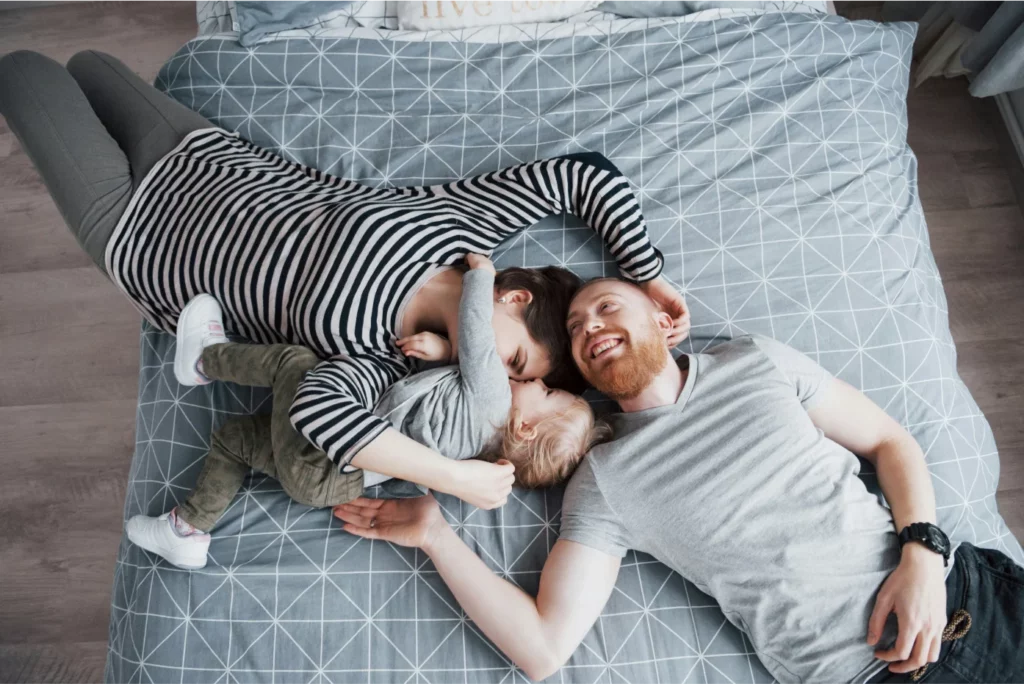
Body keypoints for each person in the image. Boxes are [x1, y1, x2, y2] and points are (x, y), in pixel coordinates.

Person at [0, 50, 689, 505]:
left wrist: (453, 477)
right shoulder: (461, 230)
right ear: (512, 298)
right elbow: (583, 175)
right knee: (90, 64)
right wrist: (649, 277)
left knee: (26, 70)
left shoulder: (384, 365)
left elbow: (318, 414)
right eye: (512, 358)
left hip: (141, 239)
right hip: (203, 157)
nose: (493, 378)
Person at [335, 278, 1024, 684]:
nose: (590, 327)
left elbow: (888, 440)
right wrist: (436, 536)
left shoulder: (754, 359)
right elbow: (544, 649)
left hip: (965, 601)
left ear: (664, 318)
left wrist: (923, 555)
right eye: (575, 329)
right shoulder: (605, 479)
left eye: (607, 307)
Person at [125, 255, 608, 569]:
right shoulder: (477, 455)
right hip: (327, 483)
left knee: (296, 362)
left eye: (545, 393)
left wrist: (482, 273)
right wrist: (441, 349)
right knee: (235, 438)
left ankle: (204, 359)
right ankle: (187, 529)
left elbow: (478, 333)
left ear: (523, 426)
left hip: (324, 451)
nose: (535, 382)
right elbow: (446, 395)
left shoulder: (494, 401)